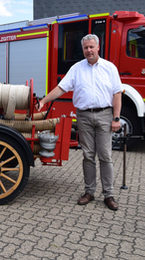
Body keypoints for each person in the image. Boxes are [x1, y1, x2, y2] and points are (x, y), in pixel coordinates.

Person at [36, 34, 122, 211]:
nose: (89, 50)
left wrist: (116, 118)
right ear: (83, 49)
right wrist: (44, 101)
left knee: (105, 155)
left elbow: (117, 93)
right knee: (88, 155)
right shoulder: (77, 68)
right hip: (83, 116)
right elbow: (61, 88)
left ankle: (109, 195)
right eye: (86, 48)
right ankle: (89, 192)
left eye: (92, 47)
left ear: (98, 47)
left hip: (105, 115)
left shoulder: (109, 68)